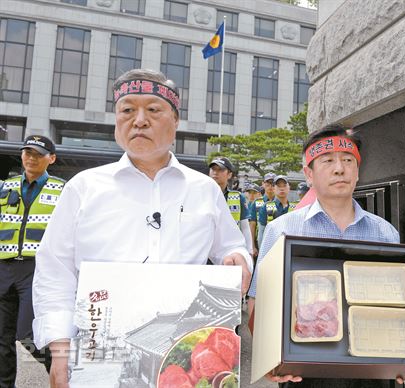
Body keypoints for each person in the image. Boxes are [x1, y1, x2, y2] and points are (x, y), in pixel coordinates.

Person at [31, 69, 252, 388]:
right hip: (97, 349)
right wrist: (61, 350)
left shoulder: (203, 189)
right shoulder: (85, 187)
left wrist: (237, 259)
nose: (139, 120)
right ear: (116, 119)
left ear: (175, 121)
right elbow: (55, 270)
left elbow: (231, 247)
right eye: (127, 110)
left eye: (153, 109)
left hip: (182, 341)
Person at [248, 124, 405, 388]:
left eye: (347, 160)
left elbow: (402, 307)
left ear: (357, 171)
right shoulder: (281, 230)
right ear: (308, 174)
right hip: (305, 369)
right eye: (327, 161)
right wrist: (269, 360)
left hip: (375, 369)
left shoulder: (385, 232)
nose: (339, 169)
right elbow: (258, 304)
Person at [0, 135, 60, 387]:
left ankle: (64, 374)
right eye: (27, 153)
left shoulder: (62, 190)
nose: (31, 158)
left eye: (37, 154)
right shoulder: (5, 187)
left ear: (51, 159)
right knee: (2, 339)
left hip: (36, 270)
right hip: (4, 268)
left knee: (29, 335)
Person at [209, 157, 255, 259]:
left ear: (229, 174)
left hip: (230, 250)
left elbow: (245, 227)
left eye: (220, 169)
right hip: (206, 250)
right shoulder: (201, 195)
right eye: (213, 169)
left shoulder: (238, 197)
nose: (215, 173)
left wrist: (249, 251)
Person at [248, 172, 277, 257]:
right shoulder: (256, 202)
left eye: (273, 183)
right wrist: (252, 246)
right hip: (259, 241)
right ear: (263, 184)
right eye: (268, 183)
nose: (270, 186)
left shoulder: (280, 202)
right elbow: (252, 225)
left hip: (276, 240)